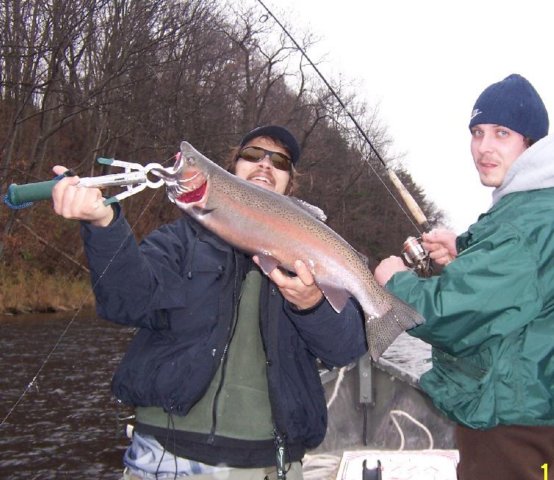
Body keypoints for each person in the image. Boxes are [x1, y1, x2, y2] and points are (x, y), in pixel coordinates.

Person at [51, 125, 367, 480]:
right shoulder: (180, 240)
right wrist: (104, 225)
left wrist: (312, 305)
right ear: (232, 168)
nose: (264, 164)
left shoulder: (317, 258)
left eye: (279, 161)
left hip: (269, 463)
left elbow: (347, 349)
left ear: (290, 183)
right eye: (252, 155)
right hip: (163, 457)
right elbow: (124, 302)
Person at [374, 73, 554, 480]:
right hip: (525, 413)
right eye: (477, 132)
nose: (483, 147)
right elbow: (516, 290)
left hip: (513, 425)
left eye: (502, 133)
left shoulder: (525, 223)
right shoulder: (531, 207)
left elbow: (453, 313)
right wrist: (463, 249)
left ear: (532, 144)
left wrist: (395, 280)